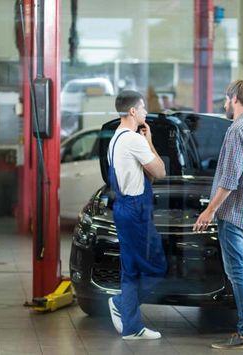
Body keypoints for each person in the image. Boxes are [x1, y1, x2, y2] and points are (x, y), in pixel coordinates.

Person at [192, 80, 243, 350]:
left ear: (235, 98)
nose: (224, 104)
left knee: (237, 271)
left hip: (234, 214)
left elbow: (229, 179)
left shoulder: (237, 130)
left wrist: (209, 210)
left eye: (226, 100)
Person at [107, 90, 168, 340]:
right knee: (156, 268)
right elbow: (160, 171)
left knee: (131, 269)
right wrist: (150, 141)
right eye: (142, 108)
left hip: (124, 208)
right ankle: (122, 304)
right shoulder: (134, 140)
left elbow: (148, 175)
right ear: (132, 111)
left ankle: (132, 327)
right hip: (135, 211)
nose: (145, 112)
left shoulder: (115, 138)